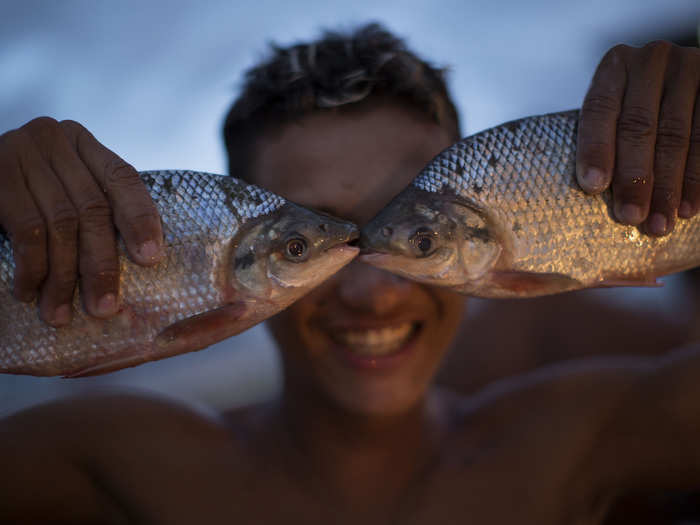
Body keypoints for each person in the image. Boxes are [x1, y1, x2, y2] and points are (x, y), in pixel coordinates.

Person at [1, 23, 699, 524]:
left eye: (413, 233)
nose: (373, 288)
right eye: (314, 239)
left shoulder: (587, 437)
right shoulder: (105, 459)